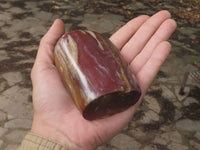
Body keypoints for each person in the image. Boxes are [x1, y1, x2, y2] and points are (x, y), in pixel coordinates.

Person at [17, 10, 176, 150]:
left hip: (108, 94)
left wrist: (53, 137)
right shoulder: (66, 48)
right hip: (95, 100)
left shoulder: (69, 45)